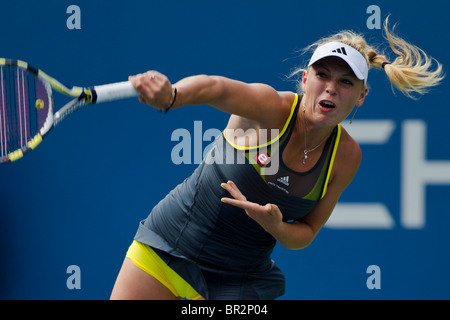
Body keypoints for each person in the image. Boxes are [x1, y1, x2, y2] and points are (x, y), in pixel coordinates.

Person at [110, 18, 443, 300]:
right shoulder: (271, 110)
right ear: (304, 80)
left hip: (239, 284)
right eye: (322, 75)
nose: (330, 88)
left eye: (345, 82)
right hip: (170, 249)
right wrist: (172, 96)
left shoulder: (346, 156)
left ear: (361, 96)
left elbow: (308, 230)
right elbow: (215, 88)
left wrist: (276, 226)